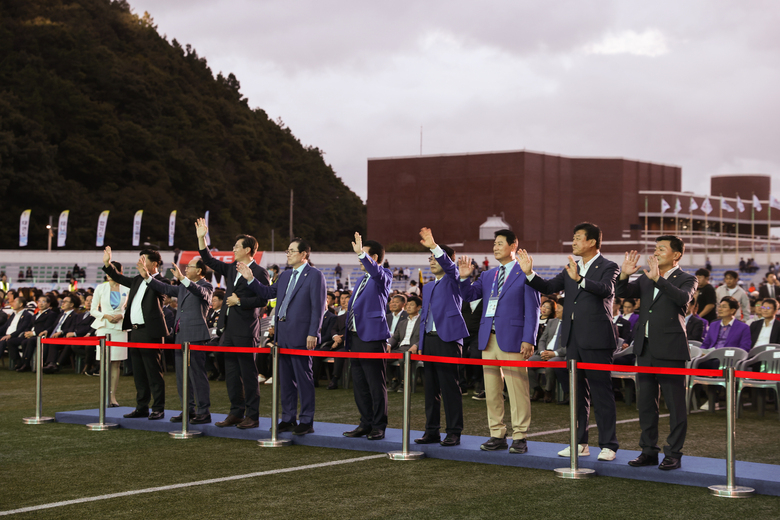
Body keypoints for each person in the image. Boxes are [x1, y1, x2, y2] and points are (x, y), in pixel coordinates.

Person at [518, 222, 619, 461]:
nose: (573, 242)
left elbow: (606, 289)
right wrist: (529, 273)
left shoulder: (609, 266)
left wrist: (580, 279)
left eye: (577, 238)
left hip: (597, 339)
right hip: (572, 339)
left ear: (592, 241)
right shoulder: (570, 268)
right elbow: (550, 287)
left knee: (601, 393)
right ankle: (580, 443)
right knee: (576, 394)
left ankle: (609, 445)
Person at [616, 236, 697, 471]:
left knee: (674, 405)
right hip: (645, 348)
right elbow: (624, 292)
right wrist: (624, 274)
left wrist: (658, 279)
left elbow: (683, 298)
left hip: (670, 349)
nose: (656, 252)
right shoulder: (646, 276)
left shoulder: (687, 278)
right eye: (655, 248)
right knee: (646, 403)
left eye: (662, 249)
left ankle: (673, 453)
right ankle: (648, 451)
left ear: (676, 255)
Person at [459, 229, 540, 455]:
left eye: (500, 243)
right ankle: (497, 434)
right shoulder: (487, 275)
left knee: (517, 389)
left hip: (514, 339)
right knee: (492, 390)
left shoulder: (525, 272)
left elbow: (533, 309)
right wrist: (465, 277)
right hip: (488, 340)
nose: (495, 247)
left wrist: (528, 339)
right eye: (493, 243)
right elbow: (469, 296)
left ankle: (520, 436)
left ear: (514, 246)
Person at [237, 237, 326, 435]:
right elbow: (268, 292)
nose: (288, 254)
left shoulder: (315, 275)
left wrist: (313, 332)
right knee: (285, 379)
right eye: (287, 251)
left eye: (291, 251)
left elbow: (318, 308)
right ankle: (288, 418)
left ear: (304, 254)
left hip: (303, 335)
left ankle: (306, 420)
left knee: (303, 378)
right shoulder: (285, 276)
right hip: (282, 334)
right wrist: (250, 278)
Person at [196, 218, 270, 429]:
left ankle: (253, 416)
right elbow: (209, 260)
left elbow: (264, 299)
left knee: (248, 374)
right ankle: (236, 412)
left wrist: (240, 301)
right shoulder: (232, 269)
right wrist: (202, 239)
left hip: (246, 331)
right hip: (228, 330)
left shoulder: (259, 272)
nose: (233, 249)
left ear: (248, 250)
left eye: (236, 246)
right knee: (231, 374)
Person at [412, 228, 469, 446]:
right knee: (431, 390)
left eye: (435, 257)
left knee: (450, 388)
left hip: (449, 339)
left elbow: (449, 267)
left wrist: (434, 246)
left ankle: (454, 431)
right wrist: (420, 342)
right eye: (430, 258)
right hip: (430, 340)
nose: (432, 261)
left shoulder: (454, 278)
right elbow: (424, 316)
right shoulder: (427, 287)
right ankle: (431, 431)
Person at [144, 257, 214, 425]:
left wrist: (183, 279)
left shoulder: (207, 286)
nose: (185, 269)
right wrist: (147, 277)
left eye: (189, 267)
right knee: (182, 376)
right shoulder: (183, 286)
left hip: (196, 335)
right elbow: (166, 288)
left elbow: (200, 292)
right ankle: (188, 410)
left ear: (199, 271)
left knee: (197, 375)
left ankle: (204, 412)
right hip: (180, 335)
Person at [102, 247, 170, 420]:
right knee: (138, 373)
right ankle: (142, 407)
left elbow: (161, 291)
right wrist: (107, 264)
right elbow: (118, 277)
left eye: (143, 259)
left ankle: (158, 408)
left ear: (154, 263)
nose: (140, 263)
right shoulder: (137, 280)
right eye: (139, 259)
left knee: (153, 372)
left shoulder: (162, 281)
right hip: (135, 330)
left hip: (151, 331)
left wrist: (147, 276)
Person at [342, 233, 392, 441]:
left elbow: (376, 271)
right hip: (355, 337)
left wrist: (362, 254)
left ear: (375, 258)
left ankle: (379, 425)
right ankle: (365, 423)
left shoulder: (384, 275)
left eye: (364, 256)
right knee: (360, 384)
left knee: (374, 384)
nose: (359, 259)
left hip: (372, 338)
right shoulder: (362, 280)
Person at [91, 263, 129, 405]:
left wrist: (122, 315)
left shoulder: (126, 288)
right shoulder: (100, 288)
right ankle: (104, 395)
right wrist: (105, 316)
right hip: (104, 327)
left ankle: (112, 397)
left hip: (119, 328)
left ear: (120, 271)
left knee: (116, 364)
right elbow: (93, 310)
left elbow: (131, 308)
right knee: (104, 363)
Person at [14, 294, 58, 372]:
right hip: (31, 335)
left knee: (29, 341)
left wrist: (34, 333)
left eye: (43, 301)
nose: (41, 303)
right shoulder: (36, 314)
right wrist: (27, 332)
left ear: (48, 304)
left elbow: (46, 327)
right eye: (39, 301)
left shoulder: (51, 314)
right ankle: (23, 363)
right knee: (22, 342)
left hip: (41, 336)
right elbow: (29, 325)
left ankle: (26, 364)